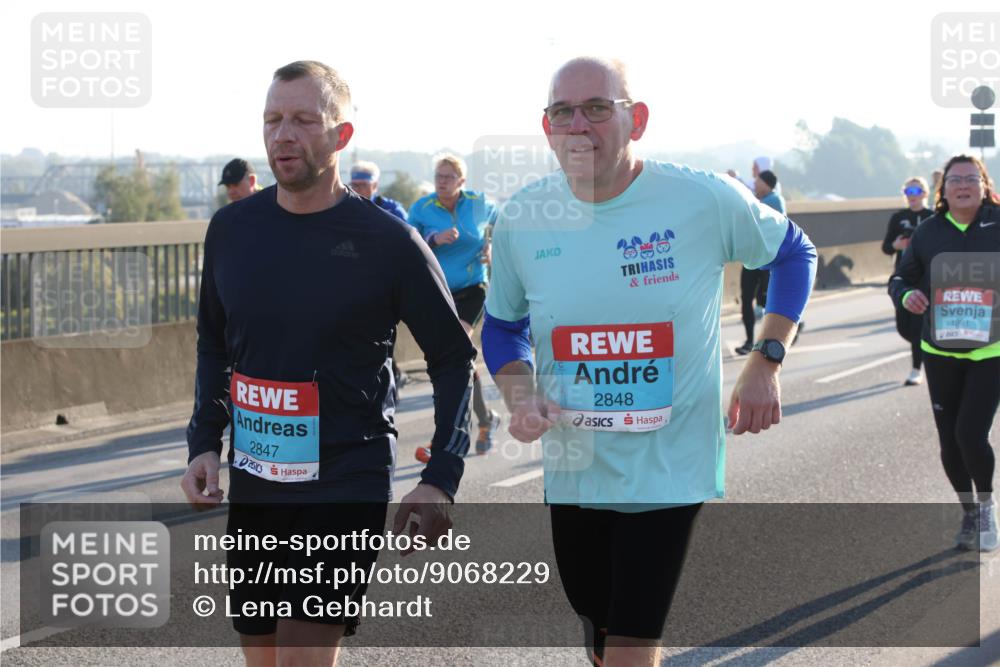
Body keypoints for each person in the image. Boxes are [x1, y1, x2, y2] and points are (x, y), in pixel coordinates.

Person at [482, 56, 816, 666]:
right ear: (547, 126)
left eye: (596, 108)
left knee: (634, 643)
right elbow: (504, 327)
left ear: (635, 119)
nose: (578, 125)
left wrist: (767, 359)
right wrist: (520, 392)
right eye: (564, 112)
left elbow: (794, 252)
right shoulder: (522, 218)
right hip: (576, 462)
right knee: (602, 631)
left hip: (670, 463)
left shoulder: (701, 198)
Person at [180, 60, 476, 666]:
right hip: (258, 478)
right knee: (261, 657)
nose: (282, 135)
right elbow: (214, 343)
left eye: (302, 120)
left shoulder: (389, 242)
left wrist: (441, 474)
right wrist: (204, 442)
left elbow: (451, 358)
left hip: (346, 474)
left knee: (300, 660)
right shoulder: (231, 230)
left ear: (340, 136)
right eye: (272, 119)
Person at [889, 154, 999, 553]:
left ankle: (986, 506)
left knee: (970, 433)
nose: (963, 185)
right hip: (940, 350)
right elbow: (899, 277)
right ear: (944, 189)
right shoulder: (929, 232)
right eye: (956, 179)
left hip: (991, 352)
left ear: (984, 185)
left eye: (972, 178)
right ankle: (968, 512)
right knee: (949, 442)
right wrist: (907, 294)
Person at [407, 154, 501, 462]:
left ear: (462, 181)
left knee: (457, 350)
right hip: (439, 291)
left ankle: (446, 437)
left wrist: (490, 244)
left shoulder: (478, 202)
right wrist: (433, 238)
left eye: (449, 176)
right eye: (438, 176)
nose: (442, 181)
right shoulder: (422, 208)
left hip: (473, 288)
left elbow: (503, 222)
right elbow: (407, 243)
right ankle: (485, 418)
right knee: (457, 362)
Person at [349, 160, 411, 396]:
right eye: (353, 183)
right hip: (356, 285)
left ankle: (389, 392)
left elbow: (407, 245)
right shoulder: (342, 206)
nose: (357, 189)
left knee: (384, 341)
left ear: (375, 185)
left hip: (387, 286)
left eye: (363, 184)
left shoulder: (393, 210)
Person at [882, 177, 933, 385]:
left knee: (919, 323)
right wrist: (897, 244)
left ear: (925, 193)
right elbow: (886, 248)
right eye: (908, 191)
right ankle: (921, 349)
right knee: (904, 327)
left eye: (916, 190)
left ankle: (916, 368)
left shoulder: (933, 217)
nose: (912, 195)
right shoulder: (898, 218)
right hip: (904, 277)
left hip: (925, 278)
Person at [736, 170, 786, 354]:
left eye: (757, 181)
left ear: (766, 183)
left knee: (766, 300)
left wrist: (738, 182)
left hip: (769, 260)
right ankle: (750, 341)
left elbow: (750, 208)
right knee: (746, 298)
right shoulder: (758, 198)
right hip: (751, 259)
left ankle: (777, 336)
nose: (755, 183)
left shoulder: (774, 200)